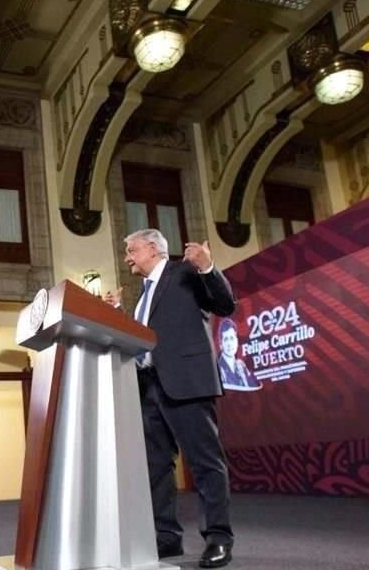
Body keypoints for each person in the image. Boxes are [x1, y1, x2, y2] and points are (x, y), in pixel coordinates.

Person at [104, 229, 237, 569]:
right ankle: (167, 537)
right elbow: (143, 339)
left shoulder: (185, 272)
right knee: (156, 467)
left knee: (205, 462)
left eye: (131, 250)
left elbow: (224, 304)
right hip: (149, 388)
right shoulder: (143, 294)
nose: (127, 258)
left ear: (152, 248)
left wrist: (208, 268)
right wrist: (119, 314)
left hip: (187, 383)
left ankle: (218, 538)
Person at [216, 319, 261, 391]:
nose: (229, 344)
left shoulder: (241, 365)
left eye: (232, 338)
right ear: (221, 344)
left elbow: (254, 386)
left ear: (236, 341)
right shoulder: (218, 369)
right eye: (226, 339)